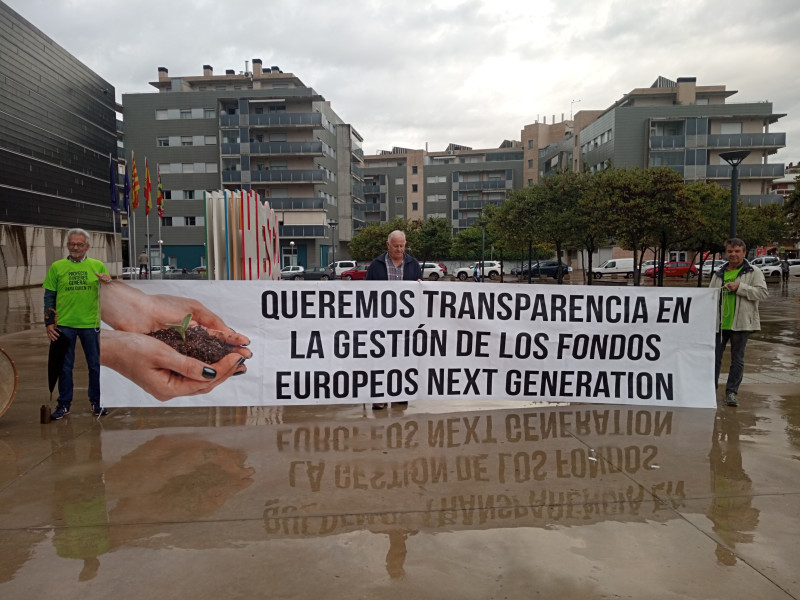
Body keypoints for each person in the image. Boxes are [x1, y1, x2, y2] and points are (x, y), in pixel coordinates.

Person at [43, 228, 112, 419]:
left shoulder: (97, 266)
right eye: (72, 244)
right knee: (64, 367)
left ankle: (97, 402)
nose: (75, 247)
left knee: (95, 366)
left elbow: (110, 294)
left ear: (87, 247)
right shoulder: (57, 267)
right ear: (67, 245)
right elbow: (49, 296)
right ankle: (64, 404)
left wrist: (108, 282)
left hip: (91, 325)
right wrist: (49, 322)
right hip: (64, 325)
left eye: (79, 244)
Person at [366, 230, 422, 410]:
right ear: (388, 245)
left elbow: (419, 292)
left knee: (402, 358)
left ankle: (400, 393)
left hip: (405, 323)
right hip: (381, 321)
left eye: (402, 245)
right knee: (380, 359)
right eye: (396, 246)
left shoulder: (413, 264)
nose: (399, 249)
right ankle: (380, 396)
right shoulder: (376, 265)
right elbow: (365, 293)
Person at [709, 238, 768, 407]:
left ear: (744, 252)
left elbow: (762, 293)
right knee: (713, 359)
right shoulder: (718, 273)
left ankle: (731, 392)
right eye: (730, 251)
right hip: (718, 325)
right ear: (725, 253)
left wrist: (740, 287)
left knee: (737, 359)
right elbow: (709, 296)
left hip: (741, 323)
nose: (733, 254)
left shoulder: (753, 272)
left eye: (737, 251)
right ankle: (710, 390)